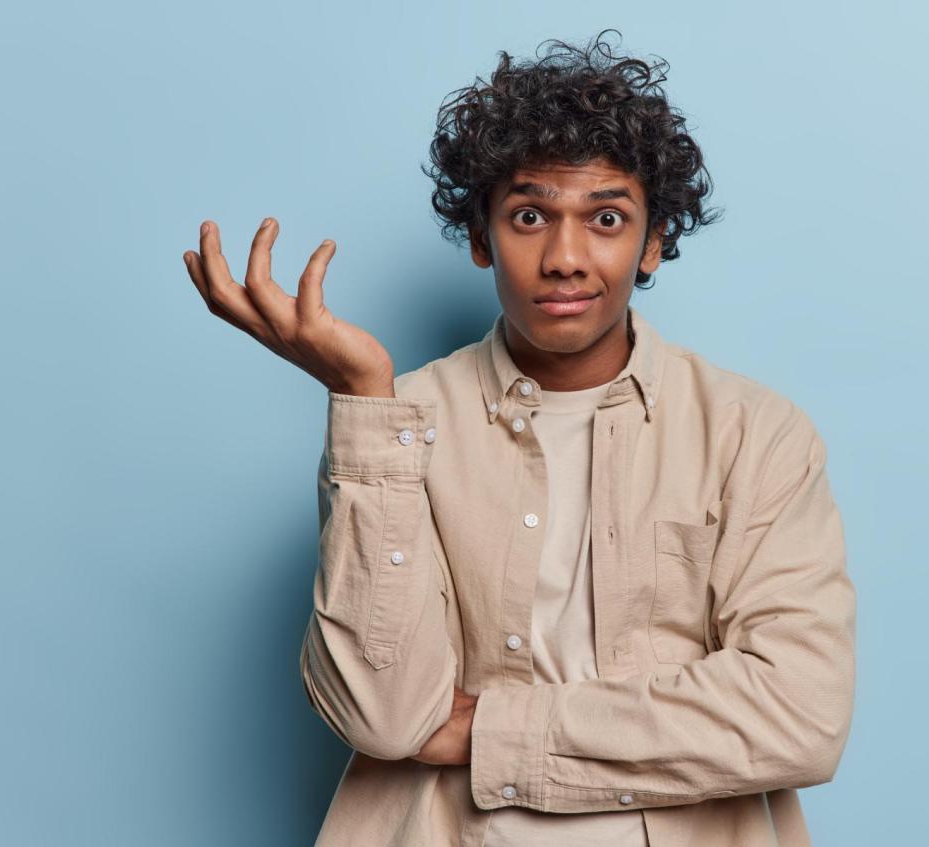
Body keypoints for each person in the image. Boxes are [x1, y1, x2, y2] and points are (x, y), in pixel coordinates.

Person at [182, 28, 855, 847]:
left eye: (606, 217)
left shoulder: (756, 434)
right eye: (529, 215)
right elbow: (385, 715)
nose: (565, 257)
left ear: (652, 243)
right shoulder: (398, 424)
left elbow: (801, 713)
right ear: (479, 236)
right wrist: (361, 399)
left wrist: (489, 730)